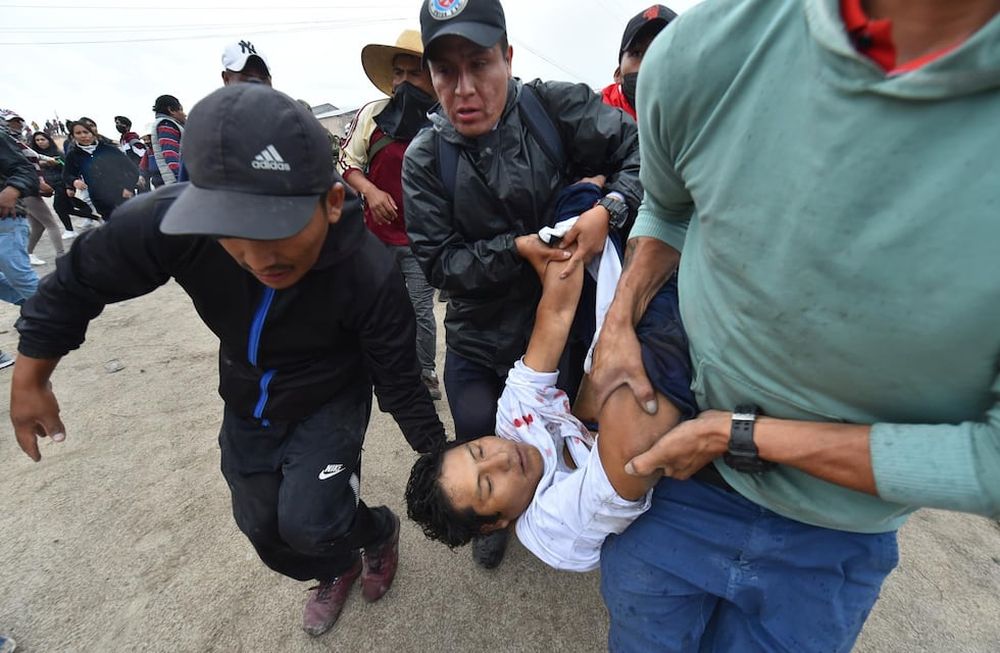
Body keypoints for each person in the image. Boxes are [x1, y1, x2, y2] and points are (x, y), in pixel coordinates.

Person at [586, 0, 1000, 651]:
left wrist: (746, 434)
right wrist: (618, 321)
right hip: (680, 487)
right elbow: (667, 208)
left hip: (836, 536)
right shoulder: (704, 50)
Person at [10, 84, 445, 639]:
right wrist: (32, 374)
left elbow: (399, 379)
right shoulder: (179, 221)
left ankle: (377, 531)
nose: (258, 255)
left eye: (276, 224)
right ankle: (336, 566)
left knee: (312, 520)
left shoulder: (370, 272)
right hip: (247, 391)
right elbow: (80, 277)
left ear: (331, 202)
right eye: (231, 228)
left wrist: (438, 455)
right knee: (261, 526)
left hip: (331, 393)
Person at [402, 0, 641, 568]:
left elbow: (642, 155)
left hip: (563, 325)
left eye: (479, 64)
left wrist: (610, 205)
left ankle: (574, 508)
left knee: (574, 428)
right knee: (479, 428)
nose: (464, 88)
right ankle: (492, 516)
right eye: (445, 71)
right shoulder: (425, 158)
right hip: (478, 339)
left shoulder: (556, 107)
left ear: (507, 57)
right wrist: (515, 250)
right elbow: (439, 262)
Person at [406, 215, 696, 572]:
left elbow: (556, 315)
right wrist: (628, 308)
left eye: (479, 450)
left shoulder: (512, 420)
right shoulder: (553, 529)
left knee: (577, 221)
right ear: (494, 524)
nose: (503, 458)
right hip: (672, 494)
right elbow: (634, 450)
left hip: (635, 420)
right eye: (488, 483)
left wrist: (570, 245)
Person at [339, 29, 441, 400]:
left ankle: (424, 373)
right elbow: (348, 161)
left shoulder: (443, 121)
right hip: (375, 237)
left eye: (414, 73)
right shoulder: (373, 115)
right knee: (375, 306)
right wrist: (370, 190)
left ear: (431, 76)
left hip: (421, 241)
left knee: (419, 311)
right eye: (398, 73)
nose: (404, 81)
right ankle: (378, 371)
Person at [0, 119, 40, 368]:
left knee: (19, 275)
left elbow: (24, 169)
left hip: (6, 221)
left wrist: (11, 190)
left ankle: (57, 313)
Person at [2, 113, 65, 263]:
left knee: (38, 226)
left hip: (24, 186)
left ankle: (27, 254)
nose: (17, 124)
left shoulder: (13, 140)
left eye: (18, 121)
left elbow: (31, 157)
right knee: (51, 224)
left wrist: (46, 161)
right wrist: (37, 182)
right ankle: (62, 256)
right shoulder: (7, 141)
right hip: (24, 188)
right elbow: (21, 165)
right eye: (12, 121)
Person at [600, 5, 676, 120]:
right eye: (637, 54)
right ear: (618, 74)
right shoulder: (583, 122)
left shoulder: (703, 125)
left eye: (665, 55)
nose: (649, 65)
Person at [62, 120, 138, 221]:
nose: (83, 136)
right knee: (113, 227)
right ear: (73, 136)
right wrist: (74, 181)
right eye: (78, 133)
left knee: (134, 223)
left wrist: (128, 187)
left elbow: (132, 169)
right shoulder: (73, 155)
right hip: (99, 198)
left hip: (123, 193)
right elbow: (67, 174)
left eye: (86, 132)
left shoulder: (110, 150)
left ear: (93, 133)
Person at [29, 131, 86, 239]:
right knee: (69, 208)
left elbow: (67, 171)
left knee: (59, 208)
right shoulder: (34, 157)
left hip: (61, 184)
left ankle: (70, 230)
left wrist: (70, 187)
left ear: (48, 140)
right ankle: (93, 216)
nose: (40, 142)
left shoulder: (57, 153)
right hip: (50, 186)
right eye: (37, 140)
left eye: (42, 139)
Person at [150, 95, 185, 185]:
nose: (184, 114)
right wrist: (181, 177)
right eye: (181, 110)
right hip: (175, 181)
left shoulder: (165, 124)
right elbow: (170, 153)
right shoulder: (167, 125)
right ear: (171, 110)